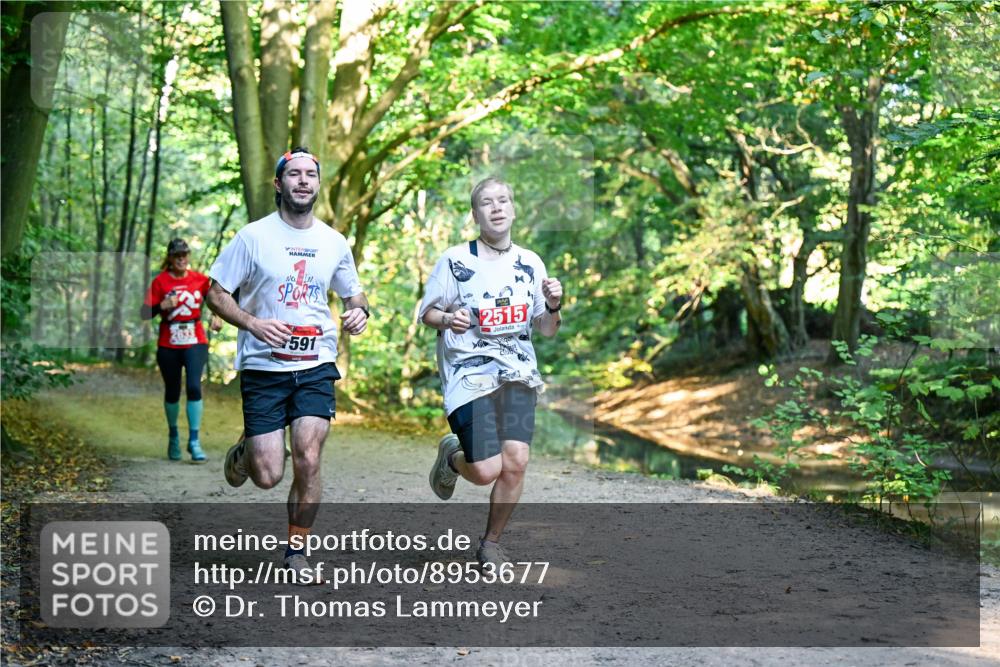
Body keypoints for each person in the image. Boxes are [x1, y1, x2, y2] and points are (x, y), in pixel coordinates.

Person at [206, 147, 369, 579]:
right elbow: (216, 291)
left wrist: (359, 311)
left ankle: (296, 551)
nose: (302, 181)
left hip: (316, 362)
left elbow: (354, 293)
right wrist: (252, 323)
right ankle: (246, 452)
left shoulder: (334, 241)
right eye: (293, 174)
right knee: (266, 475)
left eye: (310, 175)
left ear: (317, 184)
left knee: (309, 456)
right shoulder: (253, 237)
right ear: (278, 184)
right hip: (264, 366)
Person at [420, 176, 563, 568]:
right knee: (485, 470)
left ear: (513, 209)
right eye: (487, 202)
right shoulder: (454, 260)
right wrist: (450, 318)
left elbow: (546, 329)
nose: (497, 207)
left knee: (516, 460)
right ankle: (453, 457)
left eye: (503, 200)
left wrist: (552, 306)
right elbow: (427, 313)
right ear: (476, 213)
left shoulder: (530, 263)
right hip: (470, 374)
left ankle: (490, 545)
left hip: (517, 374)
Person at [141, 238, 222, 462]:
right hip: (168, 343)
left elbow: (216, 300)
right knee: (173, 390)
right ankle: (173, 436)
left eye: (184, 255)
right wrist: (160, 306)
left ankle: (194, 441)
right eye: (177, 256)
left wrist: (217, 316)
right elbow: (144, 313)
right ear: (170, 258)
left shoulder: (199, 279)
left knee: (194, 387)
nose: (181, 259)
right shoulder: (160, 282)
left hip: (195, 340)